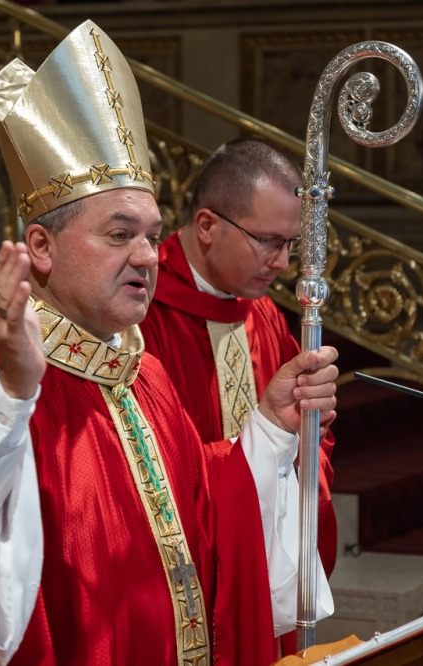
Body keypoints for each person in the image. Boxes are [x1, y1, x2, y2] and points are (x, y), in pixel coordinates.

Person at [0, 21, 337, 666]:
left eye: (151, 235)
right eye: (119, 235)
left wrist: (271, 429)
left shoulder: (144, 375)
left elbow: (205, 509)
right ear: (41, 247)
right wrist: (11, 395)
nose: (146, 256)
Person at [141, 139, 339, 583]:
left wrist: (309, 430)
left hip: (259, 556)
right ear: (207, 225)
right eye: (268, 241)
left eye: (290, 244)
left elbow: (306, 451)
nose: (283, 262)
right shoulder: (142, 315)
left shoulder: (264, 315)